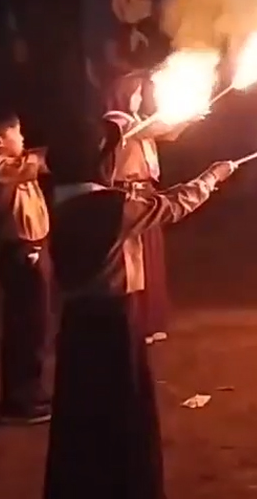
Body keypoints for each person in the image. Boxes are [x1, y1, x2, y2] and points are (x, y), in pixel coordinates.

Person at [42, 132, 240, 499]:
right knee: (124, 410)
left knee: (80, 412)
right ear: (96, 163)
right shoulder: (113, 207)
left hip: (76, 323)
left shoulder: (58, 201)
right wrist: (212, 178)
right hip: (113, 320)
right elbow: (170, 206)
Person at [102, 75, 189, 344]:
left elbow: (168, 133)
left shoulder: (139, 120)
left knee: (152, 257)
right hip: (128, 193)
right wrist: (180, 113)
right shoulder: (115, 121)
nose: (140, 98)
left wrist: (189, 118)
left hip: (148, 190)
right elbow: (149, 132)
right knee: (134, 260)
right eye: (136, 93)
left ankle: (152, 320)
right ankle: (137, 322)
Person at [0, 114, 53, 425]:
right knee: (24, 328)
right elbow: (34, 164)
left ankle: (32, 392)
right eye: (16, 134)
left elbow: (42, 161)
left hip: (34, 248)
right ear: (0, 141)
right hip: (20, 252)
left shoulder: (17, 165)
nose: (23, 139)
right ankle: (18, 402)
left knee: (37, 326)